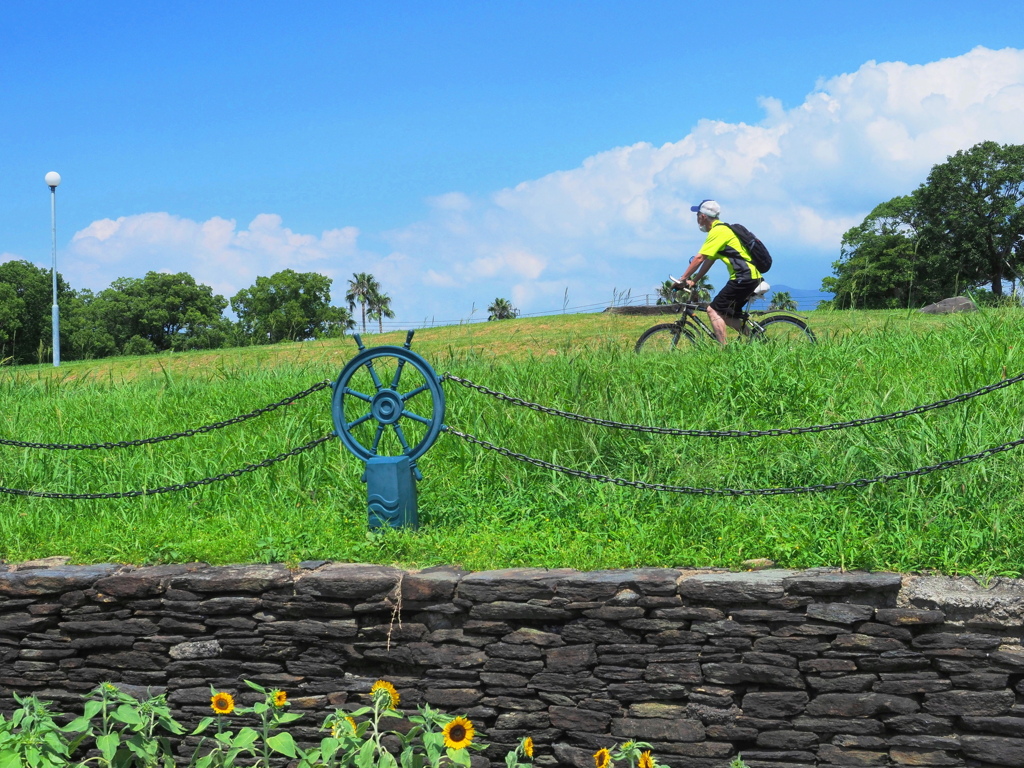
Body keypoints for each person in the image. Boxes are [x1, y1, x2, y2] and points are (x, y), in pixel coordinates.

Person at [672, 199, 763, 344]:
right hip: (748, 277)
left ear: (702, 216)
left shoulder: (718, 231)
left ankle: (724, 351)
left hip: (743, 277)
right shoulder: (722, 230)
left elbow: (700, 257)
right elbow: (709, 260)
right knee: (725, 315)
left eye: (697, 215)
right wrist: (694, 281)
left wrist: (682, 279)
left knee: (713, 311)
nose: (696, 219)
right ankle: (757, 339)